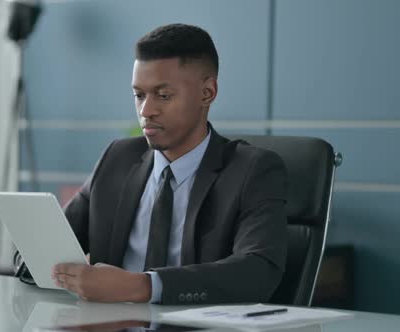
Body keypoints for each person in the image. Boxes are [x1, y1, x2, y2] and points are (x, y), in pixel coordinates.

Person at [42, 23, 288, 305]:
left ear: (207, 93)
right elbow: (40, 254)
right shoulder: (118, 158)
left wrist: (143, 287)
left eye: (163, 95)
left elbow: (257, 272)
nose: (146, 111)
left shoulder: (253, 170)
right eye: (139, 95)